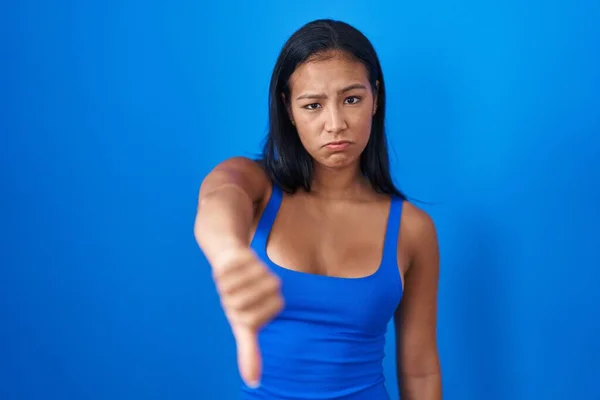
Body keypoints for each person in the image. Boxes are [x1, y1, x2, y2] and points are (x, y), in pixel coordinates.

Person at [194, 18, 442, 400]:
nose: (336, 124)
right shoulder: (257, 187)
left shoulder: (412, 228)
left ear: (375, 97)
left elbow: (420, 370)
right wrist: (228, 256)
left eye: (352, 99)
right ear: (288, 109)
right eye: (313, 105)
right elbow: (219, 196)